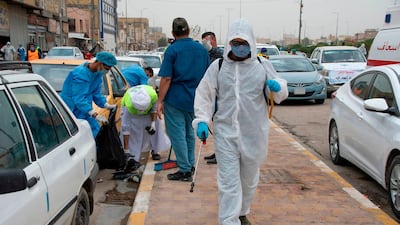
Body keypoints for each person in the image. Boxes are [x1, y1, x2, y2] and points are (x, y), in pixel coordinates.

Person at [192, 18, 288, 225]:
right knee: (228, 182)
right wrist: (201, 120)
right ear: (229, 43)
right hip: (225, 133)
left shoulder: (262, 65)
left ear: (251, 43)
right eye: (236, 43)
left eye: (244, 43)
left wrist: (278, 86)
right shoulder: (218, 66)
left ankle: (242, 211)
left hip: (254, 133)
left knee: (249, 180)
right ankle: (229, 220)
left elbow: (280, 92)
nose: (240, 47)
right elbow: (204, 94)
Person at [157, 17, 210, 182]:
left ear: (173, 33)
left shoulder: (172, 50)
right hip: (195, 98)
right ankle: (190, 164)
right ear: (188, 31)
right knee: (189, 132)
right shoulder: (201, 50)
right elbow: (208, 75)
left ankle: (185, 169)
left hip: (175, 98)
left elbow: (166, 78)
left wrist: (160, 101)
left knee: (177, 133)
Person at [60, 51, 117, 138]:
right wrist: (94, 114)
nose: (107, 71)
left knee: (95, 132)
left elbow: (96, 93)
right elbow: (79, 98)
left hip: (83, 111)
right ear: (100, 63)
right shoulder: (80, 74)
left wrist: (106, 105)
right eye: (107, 68)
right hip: (70, 109)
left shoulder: (97, 76)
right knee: (76, 137)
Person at [120, 85, 170, 163]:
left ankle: (155, 150)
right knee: (134, 132)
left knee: (155, 128)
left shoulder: (153, 96)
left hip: (148, 111)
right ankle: (131, 156)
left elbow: (154, 110)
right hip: (133, 114)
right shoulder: (128, 104)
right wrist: (126, 149)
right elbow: (125, 127)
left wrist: (153, 124)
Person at [201, 31, 223, 164]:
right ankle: (217, 152)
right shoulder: (206, 55)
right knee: (216, 125)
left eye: (207, 41)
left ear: (213, 40)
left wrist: (211, 49)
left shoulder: (220, 54)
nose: (205, 44)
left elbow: (220, 57)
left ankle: (220, 154)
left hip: (221, 95)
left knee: (220, 126)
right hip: (210, 94)